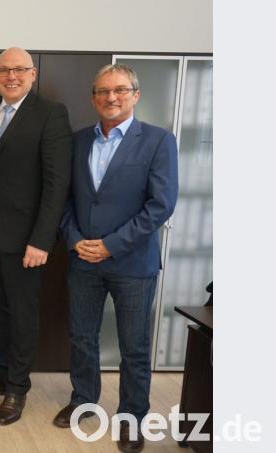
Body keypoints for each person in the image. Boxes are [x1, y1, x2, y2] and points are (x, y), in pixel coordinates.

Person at [56, 64, 178, 452]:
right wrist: (75, 241)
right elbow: (65, 200)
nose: (111, 97)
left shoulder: (158, 141)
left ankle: (132, 417)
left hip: (132, 264)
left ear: (135, 95)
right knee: (82, 338)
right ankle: (84, 400)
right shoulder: (76, 142)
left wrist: (111, 244)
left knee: (134, 347)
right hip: (82, 260)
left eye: (120, 90)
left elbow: (161, 205)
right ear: (93, 98)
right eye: (104, 91)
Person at [0, 47, 72, 425]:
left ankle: (17, 388)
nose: (11, 76)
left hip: (27, 239)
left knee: (22, 314)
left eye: (19, 70)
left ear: (33, 74)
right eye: (4, 70)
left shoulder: (50, 114)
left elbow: (57, 184)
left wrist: (42, 239)